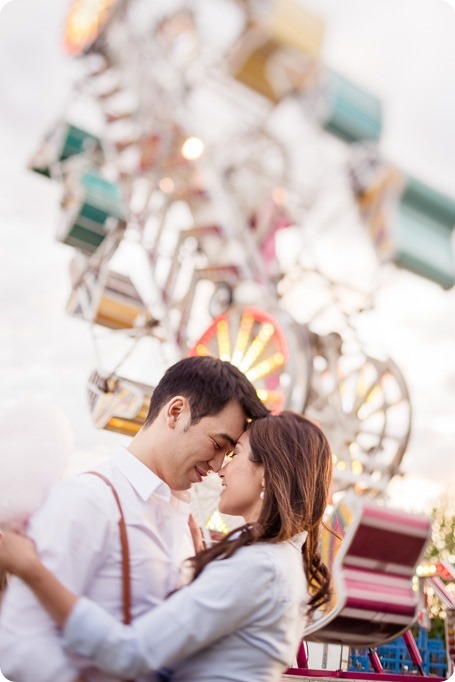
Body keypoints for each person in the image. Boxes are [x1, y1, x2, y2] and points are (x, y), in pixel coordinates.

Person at [0, 411, 333, 682]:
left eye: (235, 453)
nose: (221, 467)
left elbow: (131, 654)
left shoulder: (259, 566)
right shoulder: (275, 560)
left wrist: (32, 571)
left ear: (267, 474)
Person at [0, 356, 268, 682]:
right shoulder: (86, 500)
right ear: (175, 412)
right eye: (216, 444)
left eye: (227, 454)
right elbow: (20, 645)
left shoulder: (186, 524)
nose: (216, 466)